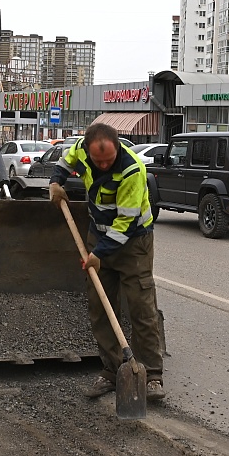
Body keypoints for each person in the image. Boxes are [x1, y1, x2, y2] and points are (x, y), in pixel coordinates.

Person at [49, 122, 165, 402]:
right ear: (88, 150)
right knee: (100, 306)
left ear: (118, 148)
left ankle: (151, 374)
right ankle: (113, 370)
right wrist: (56, 181)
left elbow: (125, 223)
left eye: (108, 160)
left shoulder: (132, 170)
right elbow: (66, 161)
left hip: (133, 241)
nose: (102, 166)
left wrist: (98, 254)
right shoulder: (82, 150)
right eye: (97, 161)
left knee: (140, 305)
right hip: (97, 235)